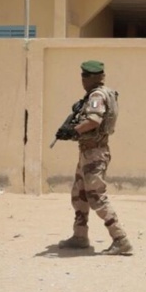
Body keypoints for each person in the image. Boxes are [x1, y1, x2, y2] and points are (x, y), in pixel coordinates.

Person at [56, 60, 132, 256]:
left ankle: (120, 239)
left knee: (96, 196)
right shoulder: (104, 93)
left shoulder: (97, 96)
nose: (82, 80)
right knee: (79, 193)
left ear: (90, 77)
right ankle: (80, 236)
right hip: (89, 152)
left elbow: (93, 120)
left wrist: (72, 131)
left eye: (83, 76)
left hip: (94, 153)